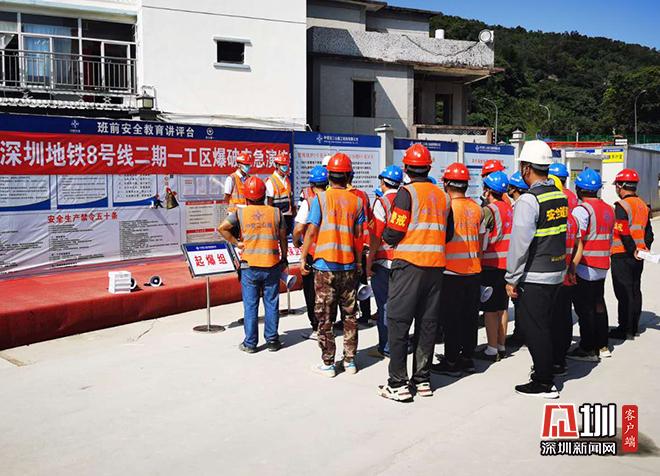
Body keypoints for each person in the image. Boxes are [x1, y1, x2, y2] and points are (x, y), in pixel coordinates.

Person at [378, 144, 452, 402]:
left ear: (406, 168)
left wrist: (386, 236)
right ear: (429, 167)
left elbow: (395, 230)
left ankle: (397, 383)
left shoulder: (406, 193)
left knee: (398, 322)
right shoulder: (443, 196)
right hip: (436, 267)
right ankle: (422, 380)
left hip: (409, 266)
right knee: (427, 324)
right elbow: (449, 233)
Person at [506, 140, 567, 399]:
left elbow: (520, 244)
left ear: (526, 168)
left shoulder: (529, 200)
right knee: (548, 324)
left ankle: (544, 382)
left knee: (535, 329)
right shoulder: (559, 195)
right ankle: (551, 366)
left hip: (536, 275)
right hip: (556, 271)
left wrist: (511, 278)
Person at [300, 153, 365, 378]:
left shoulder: (321, 199)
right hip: (348, 266)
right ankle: (350, 361)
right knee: (350, 315)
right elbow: (358, 236)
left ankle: (328, 363)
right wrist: (359, 262)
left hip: (324, 266)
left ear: (329, 176)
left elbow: (311, 230)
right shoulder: (357, 201)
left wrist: (302, 257)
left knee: (325, 317)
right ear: (348, 176)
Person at [218, 176, 288, 353]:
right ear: (264, 195)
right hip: (272, 265)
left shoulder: (240, 213)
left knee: (250, 305)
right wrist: (284, 258)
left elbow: (222, 228)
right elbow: (283, 238)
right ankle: (272, 341)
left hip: (249, 267)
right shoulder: (276, 213)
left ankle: (250, 343)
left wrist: (237, 243)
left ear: (246, 197)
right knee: (271, 303)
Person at [431, 162, 483, 377]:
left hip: (451, 272)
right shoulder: (476, 208)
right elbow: (481, 241)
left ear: (446, 183)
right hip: (474, 271)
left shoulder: (447, 208)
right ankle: (467, 358)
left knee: (451, 320)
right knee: (469, 318)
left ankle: (451, 361)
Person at [565, 169, 614, 362]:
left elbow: (576, 239)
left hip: (584, 265)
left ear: (579, 189)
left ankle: (587, 348)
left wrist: (571, 266)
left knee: (584, 308)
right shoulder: (608, 208)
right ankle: (602, 345)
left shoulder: (582, 210)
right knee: (598, 304)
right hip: (602, 264)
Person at [609, 168, 654, 340]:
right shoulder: (643, 205)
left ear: (621, 186)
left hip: (622, 254)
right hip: (638, 256)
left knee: (623, 292)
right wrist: (643, 249)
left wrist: (631, 249)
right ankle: (633, 326)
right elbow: (649, 234)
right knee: (635, 289)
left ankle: (625, 329)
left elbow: (623, 232)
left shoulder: (622, 206)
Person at [366, 165, 403, 359]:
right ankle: (399, 344)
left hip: (384, 262)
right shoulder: (407, 200)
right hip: (405, 261)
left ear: (383, 182)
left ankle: (386, 347)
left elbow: (376, 235)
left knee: (385, 306)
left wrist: (369, 261)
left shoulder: (382, 203)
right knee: (401, 306)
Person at [476, 170, 512, 362]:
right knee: (502, 307)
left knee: (490, 309)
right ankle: (501, 345)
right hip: (507, 264)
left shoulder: (489, 210)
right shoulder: (509, 208)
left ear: (488, 190)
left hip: (491, 264)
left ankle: (491, 350)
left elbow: (481, 238)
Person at [293, 165, 329, 340]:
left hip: (313, 253)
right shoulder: (334, 199)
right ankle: (328, 325)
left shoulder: (309, 201)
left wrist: (296, 242)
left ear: (312, 184)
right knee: (328, 291)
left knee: (311, 291)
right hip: (331, 252)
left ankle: (316, 327)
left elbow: (299, 228)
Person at [505, 171, 530, 346]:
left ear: (514, 189)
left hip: (521, 261)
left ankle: (521, 334)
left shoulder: (520, 207)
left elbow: (519, 240)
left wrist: (512, 275)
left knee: (520, 302)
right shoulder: (529, 204)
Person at [347, 172, 373, 327]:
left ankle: (350, 316)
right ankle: (366, 314)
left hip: (348, 245)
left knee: (347, 284)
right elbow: (369, 218)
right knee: (362, 280)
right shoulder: (363, 195)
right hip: (361, 244)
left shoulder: (340, 195)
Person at [266, 151, 295, 235]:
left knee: (287, 237)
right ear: (277, 165)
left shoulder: (287, 179)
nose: (285, 167)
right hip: (278, 217)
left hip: (288, 216)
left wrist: (293, 209)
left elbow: (290, 196)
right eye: (283, 165)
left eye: (286, 165)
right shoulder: (271, 181)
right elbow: (269, 203)